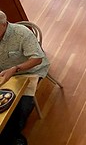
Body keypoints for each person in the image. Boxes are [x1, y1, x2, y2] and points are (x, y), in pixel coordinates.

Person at [0, 11, 50, 145]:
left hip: (29, 72)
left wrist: (15, 69)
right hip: (4, 74)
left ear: (4, 25)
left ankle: (14, 137)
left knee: (22, 106)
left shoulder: (21, 33)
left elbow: (37, 59)